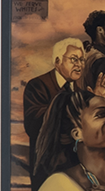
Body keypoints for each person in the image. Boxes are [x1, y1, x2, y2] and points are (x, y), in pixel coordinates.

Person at [23, 37, 86, 181]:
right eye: (74, 59)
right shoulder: (37, 85)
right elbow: (33, 126)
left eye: (82, 60)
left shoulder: (77, 89)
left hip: (74, 166)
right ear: (58, 61)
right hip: (46, 168)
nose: (79, 65)